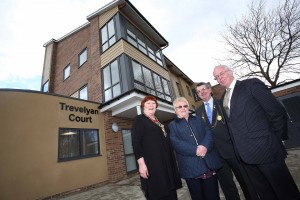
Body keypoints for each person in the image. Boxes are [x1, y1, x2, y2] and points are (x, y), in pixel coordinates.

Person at [213, 65, 300, 200]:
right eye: (216, 77)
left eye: (222, 74)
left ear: (230, 72)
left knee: (285, 192)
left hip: (266, 150)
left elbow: (276, 112)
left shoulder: (250, 84)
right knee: (265, 194)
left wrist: (276, 139)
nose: (219, 78)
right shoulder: (224, 97)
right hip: (245, 156)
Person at [195, 82, 259, 200]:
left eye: (203, 89)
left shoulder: (222, 104)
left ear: (210, 90)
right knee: (227, 185)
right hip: (215, 154)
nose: (202, 93)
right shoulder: (198, 112)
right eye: (198, 91)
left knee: (245, 180)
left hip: (232, 150)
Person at [168, 97, 222, 200]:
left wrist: (204, 146)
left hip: (208, 164)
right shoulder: (172, 125)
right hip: (191, 167)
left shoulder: (198, 119)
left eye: (185, 106)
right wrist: (195, 150)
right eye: (180, 107)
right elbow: (176, 143)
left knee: (213, 196)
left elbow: (209, 133)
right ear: (175, 110)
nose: (183, 108)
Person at [131, 96, 182, 200]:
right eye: (148, 103)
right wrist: (141, 164)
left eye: (153, 103)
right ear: (143, 106)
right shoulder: (139, 119)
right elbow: (136, 143)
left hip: (166, 164)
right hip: (152, 165)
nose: (151, 105)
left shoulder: (158, 122)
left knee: (170, 192)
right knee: (158, 192)